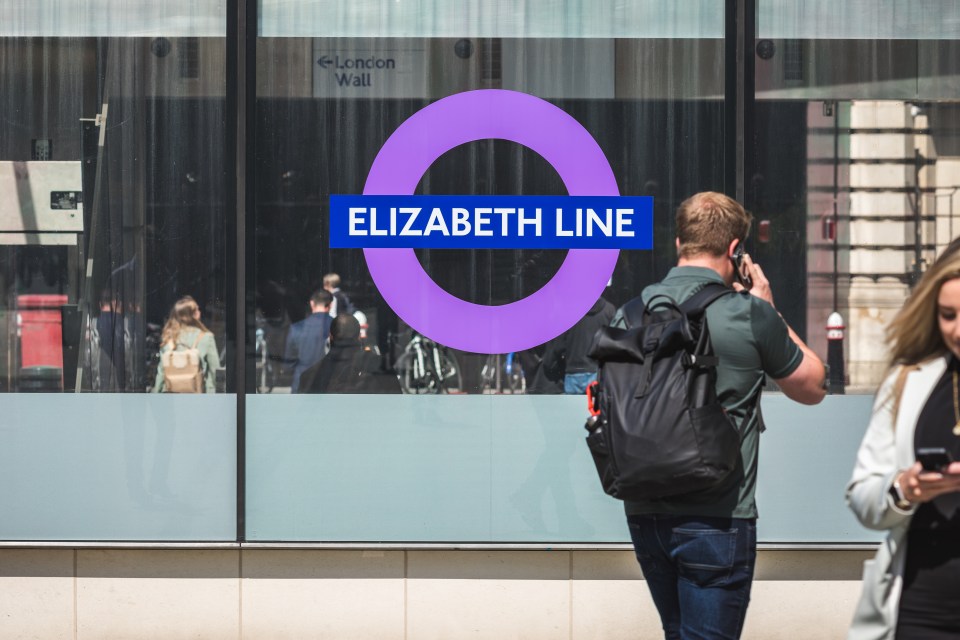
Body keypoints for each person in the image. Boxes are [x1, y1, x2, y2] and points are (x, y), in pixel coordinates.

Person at [616, 191, 826, 639]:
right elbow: (813, 386)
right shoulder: (748, 314)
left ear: (679, 244)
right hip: (720, 515)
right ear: (736, 250)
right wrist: (768, 308)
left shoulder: (629, 316)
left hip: (645, 511)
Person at [846, 245, 960, 640]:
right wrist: (903, 490)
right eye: (948, 315)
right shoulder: (908, 381)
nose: (958, 329)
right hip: (919, 607)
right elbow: (862, 496)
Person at [305, 313, 401, 394]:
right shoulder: (381, 367)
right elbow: (398, 406)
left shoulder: (311, 375)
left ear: (331, 336)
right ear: (359, 336)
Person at [152, 295, 220, 393]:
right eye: (197, 310)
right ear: (193, 315)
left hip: (171, 398)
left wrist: (156, 394)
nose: (199, 312)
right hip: (197, 397)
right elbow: (215, 371)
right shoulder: (206, 337)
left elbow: (161, 373)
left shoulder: (168, 338)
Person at [558, 294, 615, 394]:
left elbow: (559, 344)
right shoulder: (609, 310)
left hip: (573, 370)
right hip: (597, 371)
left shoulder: (568, 311)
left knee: (571, 409)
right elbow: (614, 342)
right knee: (595, 408)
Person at [284, 289, 333, 393]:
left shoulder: (297, 328)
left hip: (301, 379)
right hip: (328, 381)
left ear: (312, 304)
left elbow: (290, 360)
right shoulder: (336, 326)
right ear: (330, 305)